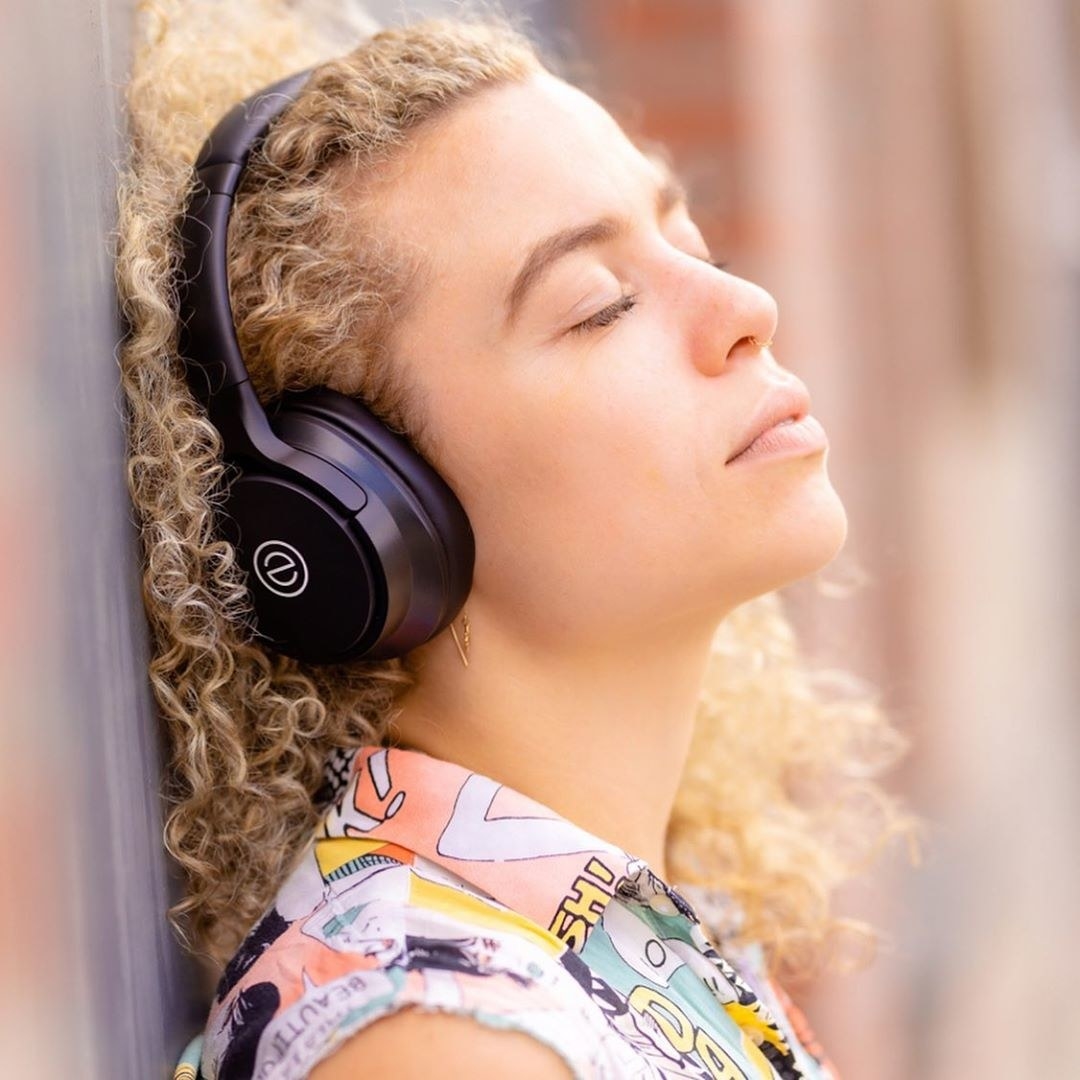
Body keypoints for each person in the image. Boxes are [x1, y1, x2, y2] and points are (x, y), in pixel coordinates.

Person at [116, 2, 915, 1077]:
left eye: (684, 236)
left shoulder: (615, 937)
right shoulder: (443, 1040)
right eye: (600, 305)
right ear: (368, 507)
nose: (746, 305)